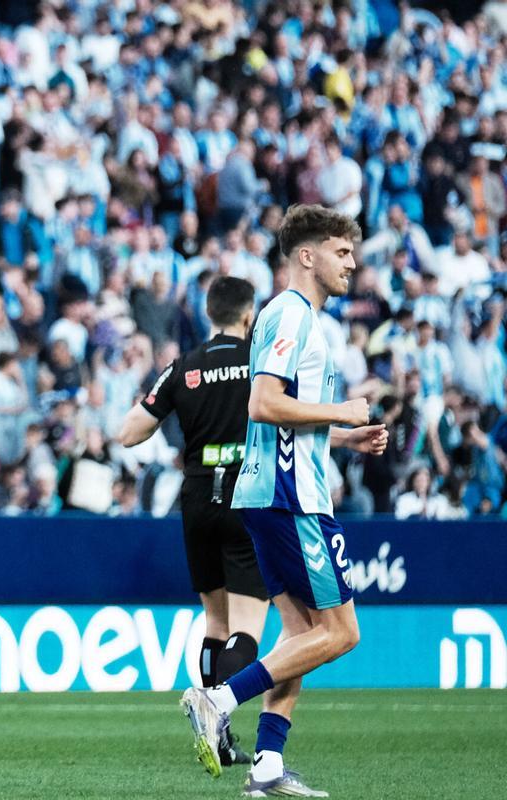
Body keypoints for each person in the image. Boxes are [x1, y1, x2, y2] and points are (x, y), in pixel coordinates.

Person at [180, 205, 388, 797]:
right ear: (306, 255)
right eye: (341, 251)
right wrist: (342, 411)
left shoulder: (289, 317)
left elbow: (282, 421)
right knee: (342, 633)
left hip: (272, 488)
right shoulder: (292, 315)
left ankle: (268, 763)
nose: (352, 263)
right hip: (290, 496)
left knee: (300, 636)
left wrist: (341, 437)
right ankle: (219, 699)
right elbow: (263, 404)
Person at [119, 276, 267, 768]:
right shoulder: (259, 362)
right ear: (248, 315)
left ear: (209, 314)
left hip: (198, 496)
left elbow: (129, 433)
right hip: (246, 493)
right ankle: (214, 708)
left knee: (215, 622)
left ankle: (219, 739)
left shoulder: (184, 367)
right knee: (247, 629)